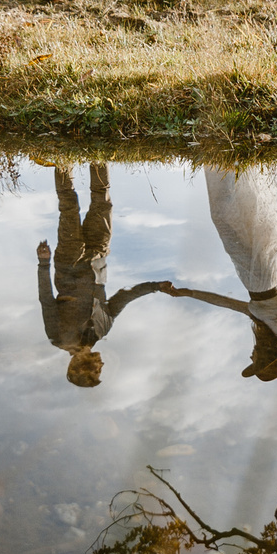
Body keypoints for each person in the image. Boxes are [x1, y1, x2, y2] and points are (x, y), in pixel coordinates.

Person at [159, 165, 277, 380]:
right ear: (265, 358)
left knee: (228, 218)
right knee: (225, 218)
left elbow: (224, 302)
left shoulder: (261, 324)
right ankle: (227, 167)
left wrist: (185, 292)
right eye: (255, 360)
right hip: (265, 276)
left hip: (252, 280)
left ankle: (225, 166)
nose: (251, 356)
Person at [38, 162, 167, 387]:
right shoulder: (102, 330)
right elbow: (124, 297)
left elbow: (47, 301)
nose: (102, 367)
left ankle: (61, 159)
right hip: (98, 256)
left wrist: (43, 264)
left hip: (70, 262)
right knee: (102, 201)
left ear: (80, 367)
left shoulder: (59, 338)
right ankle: (99, 158)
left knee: (68, 204)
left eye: (96, 372)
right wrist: (156, 286)